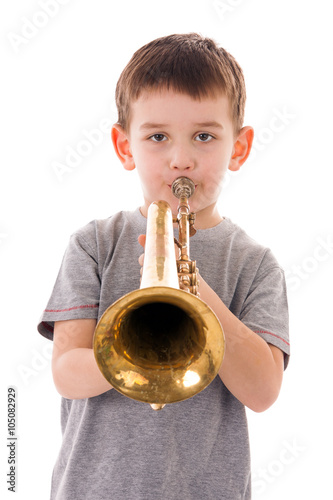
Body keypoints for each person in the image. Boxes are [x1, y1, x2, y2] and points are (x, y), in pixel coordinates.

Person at [38, 33, 290, 500]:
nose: (181, 160)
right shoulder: (94, 244)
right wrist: (134, 358)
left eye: (204, 136)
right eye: (157, 137)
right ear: (124, 146)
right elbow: (66, 373)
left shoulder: (255, 264)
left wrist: (194, 289)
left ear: (239, 147)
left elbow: (263, 391)